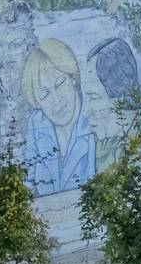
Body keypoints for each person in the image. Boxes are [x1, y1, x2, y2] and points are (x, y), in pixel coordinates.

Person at [20, 38, 95, 195]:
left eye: (60, 84)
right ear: (37, 101)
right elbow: (26, 183)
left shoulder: (93, 118)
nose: (56, 100)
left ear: (73, 79)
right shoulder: (37, 122)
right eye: (44, 94)